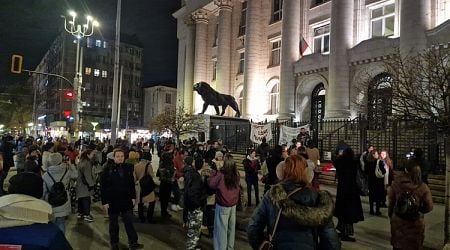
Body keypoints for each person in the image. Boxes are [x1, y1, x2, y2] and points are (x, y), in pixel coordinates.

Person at [247, 155, 341, 249]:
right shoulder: (317, 199)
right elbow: (331, 241)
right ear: (308, 173)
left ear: (281, 172)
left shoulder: (272, 196)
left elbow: (253, 228)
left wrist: (262, 245)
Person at [101, 149, 143, 250]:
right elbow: (104, 187)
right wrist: (105, 202)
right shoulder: (107, 170)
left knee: (129, 223)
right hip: (113, 201)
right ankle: (114, 243)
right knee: (114, 225)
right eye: (118, 156)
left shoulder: (128, 168)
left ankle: (133, 242)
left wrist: (133, 197)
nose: (120, 158)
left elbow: (131, 184)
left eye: (122, 156)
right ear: (114, 157)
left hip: (126, 200)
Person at [388, 160, 433, 250]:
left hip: (399, 222)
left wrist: (391, 215)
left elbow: (391, 202)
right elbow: (429, 206)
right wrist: (418, 210)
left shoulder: (396, 184)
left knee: (398, 245)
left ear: (405, 170)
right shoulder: (423, 187)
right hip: (415, 223)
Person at [208, 156, 240, 250]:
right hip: (233, 205)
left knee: (221, 230)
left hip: (223, 205)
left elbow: (211, 184)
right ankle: (230, 247)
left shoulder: (221, 174)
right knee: (231, 229)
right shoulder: (236, 174)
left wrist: (215, 171)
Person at [333, 148, 364, 242]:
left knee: (343, 213)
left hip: (342, 190)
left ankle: (342, 230)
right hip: (351, 191)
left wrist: (340, 157)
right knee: (348, 214)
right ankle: (345, 233)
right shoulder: (353, 163)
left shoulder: (340, 162)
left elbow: (335, 161)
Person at [42, 152, 78, 233]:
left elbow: (44, 191)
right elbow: (76, 175)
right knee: (61, 222)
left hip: (50, 202)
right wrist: (71, 165)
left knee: (50, 224)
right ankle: (61, 241)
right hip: (63, 200)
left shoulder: (45, 175)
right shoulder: (66, 171)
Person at [183, 156, 207, 250]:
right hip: (195, 207)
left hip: (190, 206)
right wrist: (198, 205)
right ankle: (191, 246)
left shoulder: (191, 174)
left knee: (193, 228)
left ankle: (193, 244)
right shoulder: (196, 177)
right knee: (194, 228)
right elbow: (193, 193)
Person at [134, 152, 156, 223]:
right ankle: (149, 218)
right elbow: (152, 175)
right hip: (147, 186)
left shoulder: (136, 165)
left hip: (140, 186)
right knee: (152, 202)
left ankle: (141, 217)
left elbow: (134, 178)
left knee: (140, 202)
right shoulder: (148, 165)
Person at [76, 149, 96, 222]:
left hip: (79, 183)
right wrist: (91, 185)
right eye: (92, 154)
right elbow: (88, 175)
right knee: (86, 200)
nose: (93, 156)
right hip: (85, 185)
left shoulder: (80, 161)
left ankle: (80, 213)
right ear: (87, 155)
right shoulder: (87, 163)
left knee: (80, 199)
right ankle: (86, 215)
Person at [365, 149, 386, 216]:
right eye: (376, 154)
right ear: (373, 155)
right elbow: (384, 171)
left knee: (371, 196)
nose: (378, 155)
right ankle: (377, 210)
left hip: (371, 181)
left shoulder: (367, 162)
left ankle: (371, 210)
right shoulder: (379, 162)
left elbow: (366, 171)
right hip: (378, 181)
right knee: (378, 196)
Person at [157, 151, 175, 218]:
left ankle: (163, 211)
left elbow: (158, 174)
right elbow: (171, 174)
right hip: (168, 183)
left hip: (162, 183)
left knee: (162, 198)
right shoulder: (170, 164)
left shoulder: (161, 163)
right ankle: (164, 212)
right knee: (166, 198)